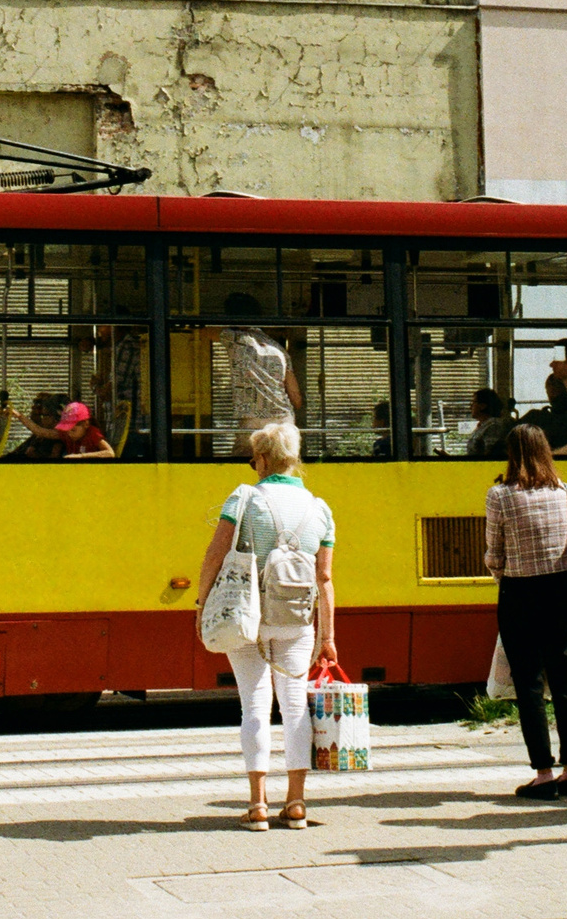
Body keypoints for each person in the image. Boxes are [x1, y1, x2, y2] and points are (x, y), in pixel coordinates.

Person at [191, 420, 337, 832]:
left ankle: (257, 805)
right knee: (294, 708)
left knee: (253, 706)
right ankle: (296, 804)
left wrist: (203, 604)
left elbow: (215, 554)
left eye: (255, 455)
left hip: (245, 618)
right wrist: (328, 637)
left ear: (265, 459)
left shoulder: (243, 499)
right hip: (296, 621)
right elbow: (324, 579)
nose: (252, 462)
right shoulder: (320, 509)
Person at [485, 424, 567, 800]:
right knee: (565, 680)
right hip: (560, 592)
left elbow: (493, 554)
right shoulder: (565, 491)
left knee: (528, 683)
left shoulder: (500, 495)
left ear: (512, 454)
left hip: (520, 594)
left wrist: (506, 576)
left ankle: (543, 774)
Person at [224, 293, 303, 454]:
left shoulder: (232, 338)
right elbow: (296, 398)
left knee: (242, 461)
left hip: (252, 420)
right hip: (283, 420)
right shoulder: (279, 350)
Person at [466, 388, 512, 460]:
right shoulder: (482, 425)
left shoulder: (494, 426)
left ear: (483, 406)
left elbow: (490, 457)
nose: (470, 406)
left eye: (473, 402)